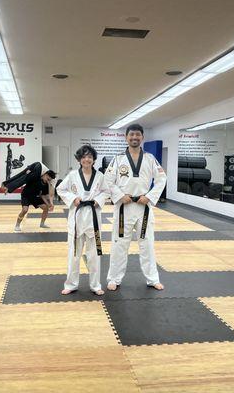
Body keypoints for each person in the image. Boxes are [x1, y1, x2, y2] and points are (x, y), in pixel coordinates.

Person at [104, 124, 167, 291]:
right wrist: (118, 195)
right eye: (131, 135)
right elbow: (108, 181)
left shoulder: (150, 158)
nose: (134, 138)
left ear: (142, 138)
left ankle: (152, 279)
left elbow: (161, 179)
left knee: (147, 244)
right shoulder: (117, 159)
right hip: (124, 208)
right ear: (126, 137)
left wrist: (150, 197)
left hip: (143, 207)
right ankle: (114, 278)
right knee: (119, 244)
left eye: (138, 135)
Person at [57, 145, 110, 296]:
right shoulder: (73, 175)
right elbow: (61, 189)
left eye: (90, 157)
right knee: (74, 254)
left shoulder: (100, 176)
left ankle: (95, 285)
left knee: (94, 254)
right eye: (84, 157)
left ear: (94, 160)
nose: (87, 159)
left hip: (93, 218)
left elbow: (106, 191)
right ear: (79, 159)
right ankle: (71, 284)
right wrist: (73, 198)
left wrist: (98, 200)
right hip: (77, 218)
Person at [1, 162, 56, 231]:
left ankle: (42, 224)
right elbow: (23, 179)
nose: (47, 181)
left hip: (34, 197)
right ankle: (17, 225)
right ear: (44, 174)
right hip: (26, 195)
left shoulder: (45, 184)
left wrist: (49, 204)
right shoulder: (35, 176)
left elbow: (43, 195)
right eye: (47, 179)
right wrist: (28, 171)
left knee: (46, 208)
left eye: (49, 180)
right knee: (25, 210)